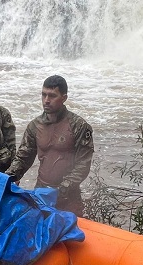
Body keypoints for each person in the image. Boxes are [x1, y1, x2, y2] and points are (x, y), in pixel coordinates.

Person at [6, 75, 94, 216]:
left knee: (72, 237)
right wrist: (7, 178)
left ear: (64, 97)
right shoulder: (35, 126)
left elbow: (83, 165)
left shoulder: (79, 126)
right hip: (41, 193)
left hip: (68, 198)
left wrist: (61, 190)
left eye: (52, 96)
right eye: (44, 95)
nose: (46, 100)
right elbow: (23, 158)